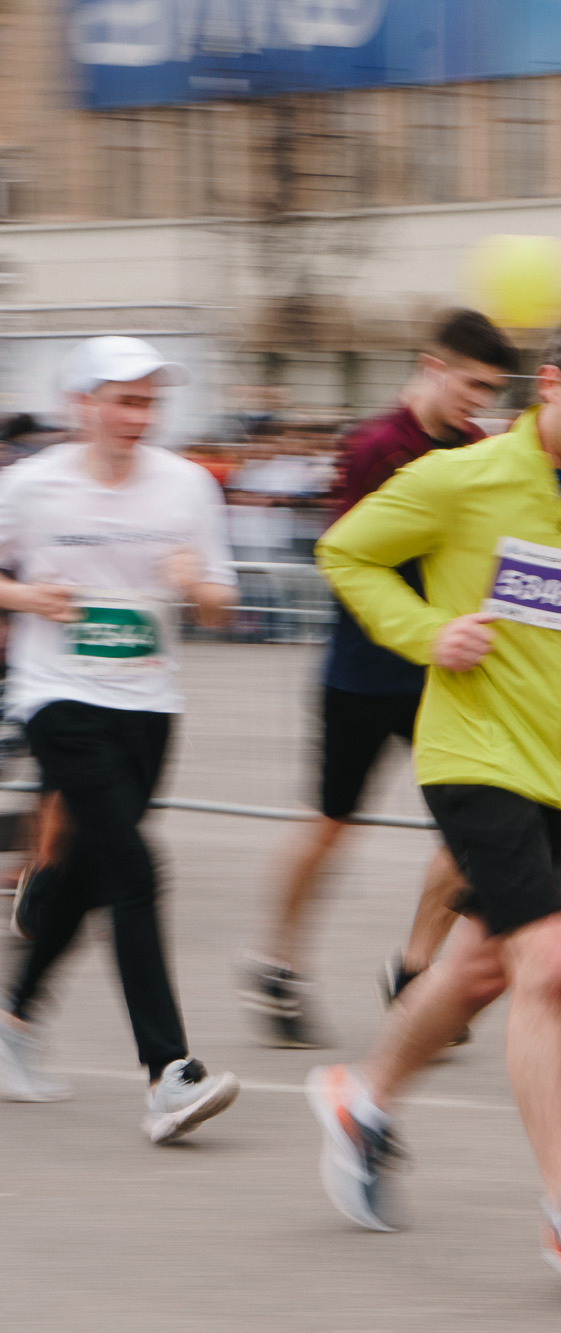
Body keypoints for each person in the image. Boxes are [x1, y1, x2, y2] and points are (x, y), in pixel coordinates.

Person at [306, 305, 561, 1288]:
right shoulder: (462, 477)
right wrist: (425, 633)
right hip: (472, 755)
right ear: (551, 386)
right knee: (551, 959)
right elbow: (347, 552)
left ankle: (362, 1093)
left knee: (485, 969)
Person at [238, 309, 521, 1048]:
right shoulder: (373, 446)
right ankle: (277, 962)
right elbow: (349, 560)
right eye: (472, 385)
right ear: (433, 367)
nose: (480, 402)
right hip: (362, 675)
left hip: (446, 676)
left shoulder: (478, 449)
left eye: (491, 390)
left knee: (473, 832)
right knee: (332, 825)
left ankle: (415, 970)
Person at [0, 336, 244, 1144]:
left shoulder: (186, 486)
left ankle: (13, 1020)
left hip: (148, 702)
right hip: (57, 695)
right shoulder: (32, 485)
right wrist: (28, 597)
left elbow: (221, 602)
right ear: (84, 405)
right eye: (124, 400)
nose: (140, 417)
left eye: (149, 402)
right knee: (136, 867)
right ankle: (169, 1073)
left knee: (89, 870)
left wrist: (194, 585)